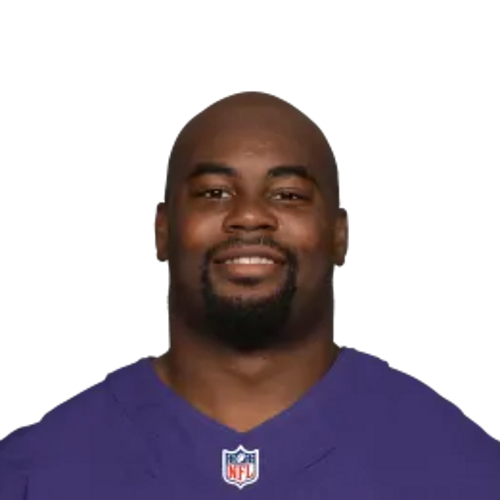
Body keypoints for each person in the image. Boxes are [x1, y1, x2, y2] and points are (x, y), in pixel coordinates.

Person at [0, 91, 498, 498]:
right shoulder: (34, 471)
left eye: (289, 195)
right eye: (214, 192)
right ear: (162, 230)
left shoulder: (463, 466)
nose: (250, 216)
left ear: (339, 234)